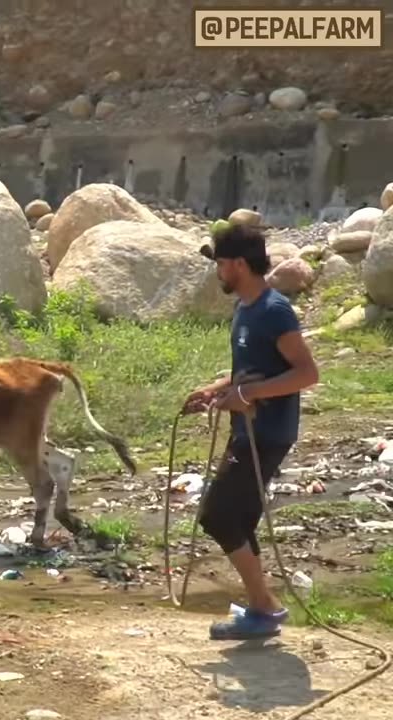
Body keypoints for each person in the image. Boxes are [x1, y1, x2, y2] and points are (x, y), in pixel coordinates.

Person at [183, 222, 319, 641]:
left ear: (239, 264)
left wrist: (250, 394)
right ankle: (263, 611)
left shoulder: (274, 311)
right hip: (246, 431)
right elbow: (249, 373)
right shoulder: (244, 308)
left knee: (217, 517)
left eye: (221, 264)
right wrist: (216, 390)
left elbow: (307, 373)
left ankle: (264, 607)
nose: (218, 272)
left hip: (268, 433)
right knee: (238, 519)